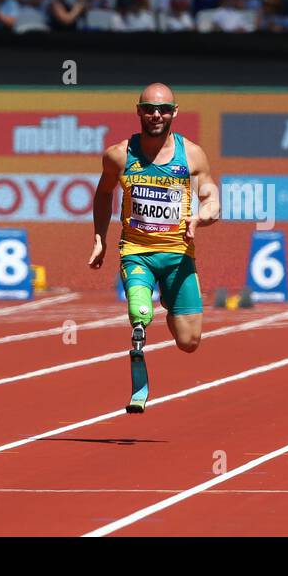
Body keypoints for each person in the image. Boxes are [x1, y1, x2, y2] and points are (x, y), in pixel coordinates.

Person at [89, 83, 220, 413]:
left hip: (178, 256)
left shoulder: (191, 154)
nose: (156, 115)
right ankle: (141, 321)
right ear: (138, 111)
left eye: (163, 109)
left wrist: (201, 217)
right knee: (140, 311)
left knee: (189, 342)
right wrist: (100, 238)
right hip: (136, 251)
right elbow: (104, 193)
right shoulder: (118, 155)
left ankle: (167, 298)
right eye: (149, 109)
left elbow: (211, 196)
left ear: (175, 112)